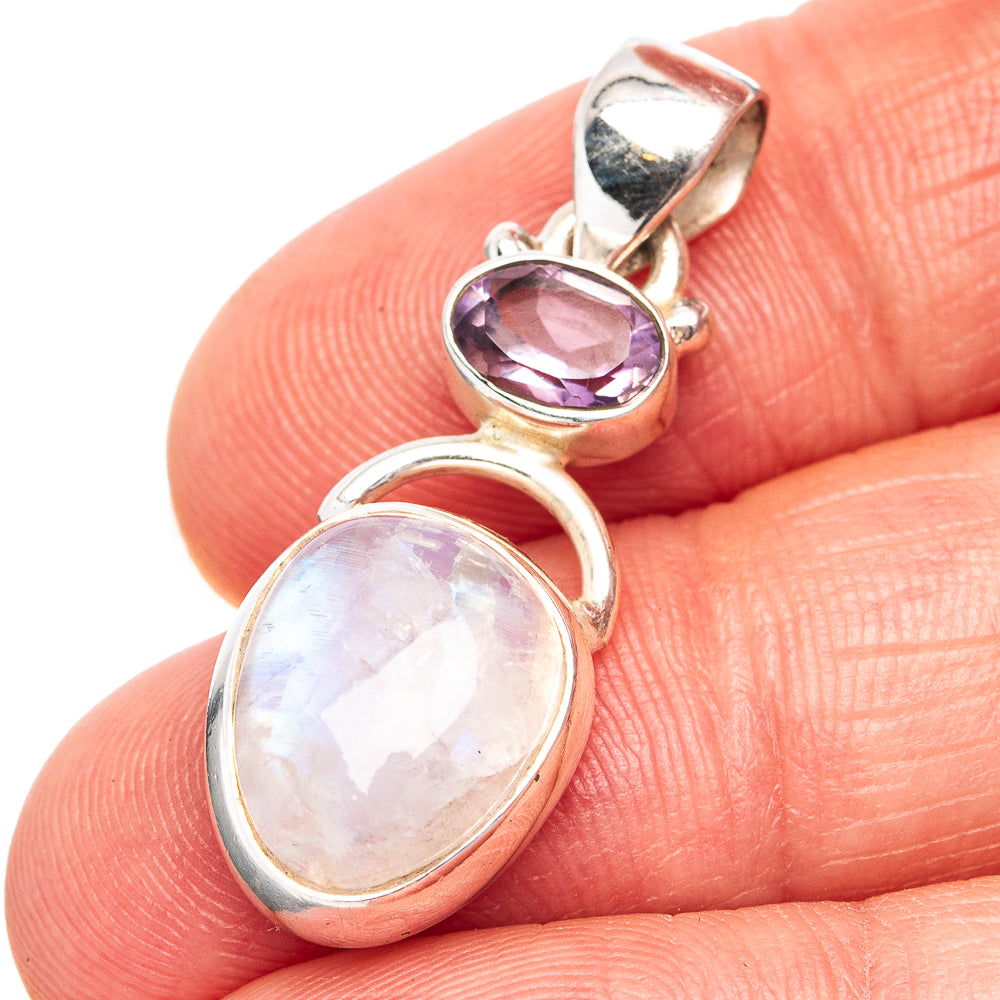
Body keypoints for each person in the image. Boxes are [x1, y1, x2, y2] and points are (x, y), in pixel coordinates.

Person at [6, 0, 1000, 994]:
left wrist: (529, 586)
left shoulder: (458, 570)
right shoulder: (430, 562)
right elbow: (556, 592)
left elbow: (533, 583)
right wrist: (566, 599)